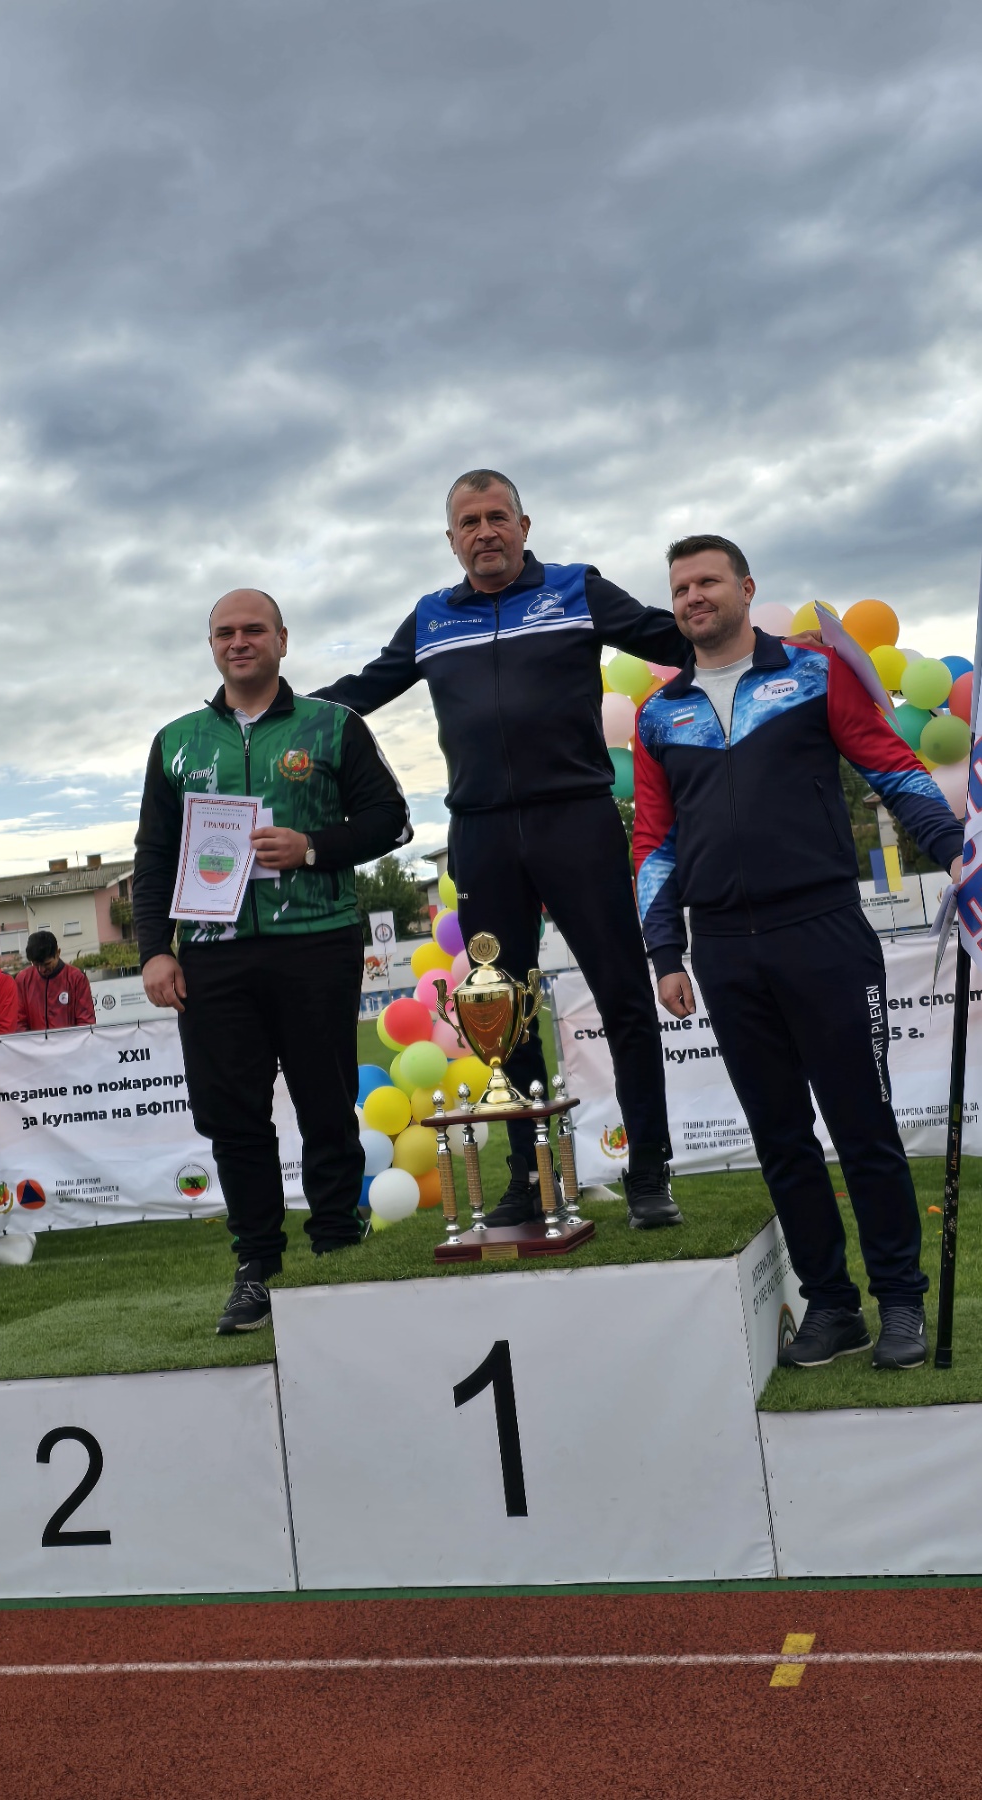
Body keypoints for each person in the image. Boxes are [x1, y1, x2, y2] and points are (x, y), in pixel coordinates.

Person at [312, 469, 687, 1230]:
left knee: (622, 995)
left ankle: (649, 1171)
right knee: (499, 1012)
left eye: (496, 517)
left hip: (576, 820)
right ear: (451, 539)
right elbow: (362, 690)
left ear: (523, 525)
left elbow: (677, 635)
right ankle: (532, 1177)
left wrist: (771, 643)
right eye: (468, 522)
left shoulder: (577, 589)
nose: (484, 531)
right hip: (480, 832)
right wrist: (276, 713)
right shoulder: (429, 617)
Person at [633, 533, 964, 1371]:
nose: (692, 597)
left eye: (707, 581)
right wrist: (665, 949)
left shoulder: (815, 674)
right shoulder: (658, 713)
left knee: (862, 1126)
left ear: (745, 589)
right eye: (679, 587)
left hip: (822, 930)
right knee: (780, 1138)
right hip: (723, 949)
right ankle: (832, 1306)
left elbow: (892, 767)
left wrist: (954, 852)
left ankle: (899, 1301)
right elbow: (654, 843)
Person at [133, 588, 412, 1335]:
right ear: (212, 646)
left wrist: (312, 847)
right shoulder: (176, 741)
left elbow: (391, 820)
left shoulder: (333, 724)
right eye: (225, 632)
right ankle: (256, 1265)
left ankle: (336, 1246)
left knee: (325, 1102)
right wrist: (155, 949)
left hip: (315, 941)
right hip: (212, 956)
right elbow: (154, 855)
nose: (239, 641)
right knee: (232, 1115)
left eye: (253, 629)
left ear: (282, 640)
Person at [16, 931, 96, 1031]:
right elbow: (19, 1021)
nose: (41, 969)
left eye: (47, 964)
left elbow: (86, 1022)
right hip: (34, 1041)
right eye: (36, 964)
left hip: (70, 1040)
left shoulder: (76, 978)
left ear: (58, 953)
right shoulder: (23, 979)